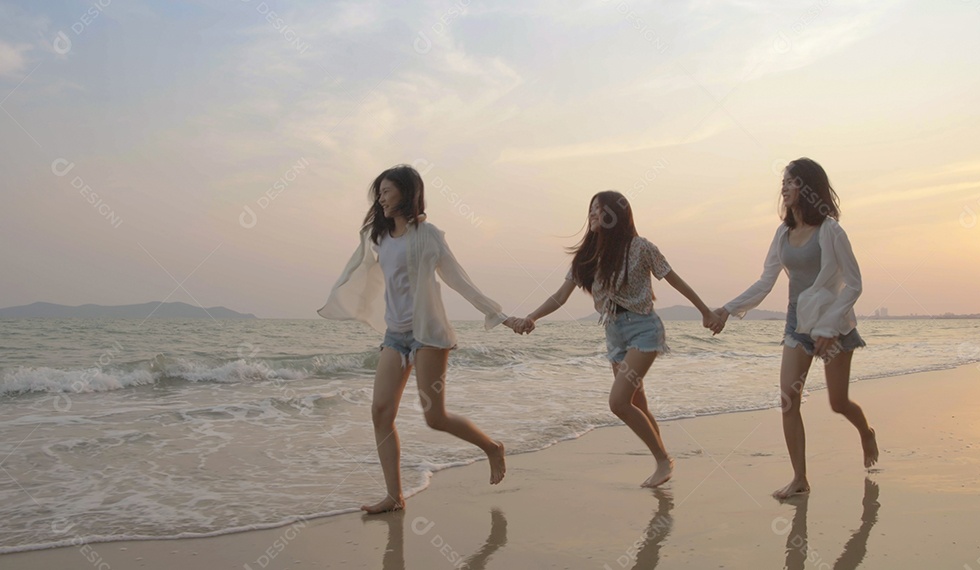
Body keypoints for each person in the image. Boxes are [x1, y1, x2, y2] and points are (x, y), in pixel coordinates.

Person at [319, 164, 519, 513]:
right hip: (394, 335)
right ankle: (394, 497)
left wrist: (500, 316)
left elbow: (459, 279)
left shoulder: (428, 236)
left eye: (387, 191)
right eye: (378, 192)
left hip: (429, 335)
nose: (380, 197)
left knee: (434, 417)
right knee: (380, 412)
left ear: (407, 193)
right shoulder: (377, 236)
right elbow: (356, 271)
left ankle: (491, 447)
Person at [513, 190, 724, 487]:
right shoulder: (587, 256)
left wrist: (706, 312)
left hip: (644, 329)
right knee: (638, 402)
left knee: (618, 402)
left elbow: (675, 281)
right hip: (613, 333)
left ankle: (664, 461)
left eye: (600, 210)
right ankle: (663, 460)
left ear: (616, 215)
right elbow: (561, 296)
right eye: (591, 210)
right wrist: (532, 317)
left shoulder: (640, 247)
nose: (593, 215)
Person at [713, 158, 878, 500]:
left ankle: (866, 431)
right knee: (789, 401)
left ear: (809, 187)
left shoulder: (831, 231)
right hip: (797, 324)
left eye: (792, 182)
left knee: (838, 402)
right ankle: (800, 478)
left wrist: (830, 326)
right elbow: (765, 282)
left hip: (834, 326)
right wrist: (727, 309)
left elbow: (854, 284)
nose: (784, 188)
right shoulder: (782, 234)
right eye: (783, 182)